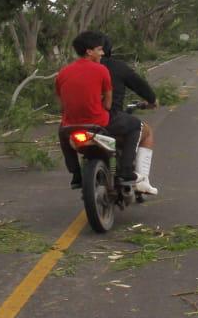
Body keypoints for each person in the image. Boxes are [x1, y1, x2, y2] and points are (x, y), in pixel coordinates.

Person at [55, 30, 142, 190]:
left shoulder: (63, 72)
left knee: (62, 131)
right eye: (99, 50)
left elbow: (62, 105)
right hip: (98, 123)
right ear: (89, 52)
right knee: (136, 125)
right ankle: (126, 171)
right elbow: (108, 105)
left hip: (70, 126)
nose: (102, 53)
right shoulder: (101, 70)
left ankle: (75, 174)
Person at [100, 36, 160, 195]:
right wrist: (152, 100)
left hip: (78, 121)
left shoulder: (75, 69)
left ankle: (77, 174)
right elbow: (139, 84)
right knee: (143, 129)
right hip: (108, 118)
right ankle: (141, 179)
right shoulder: (116, 67)